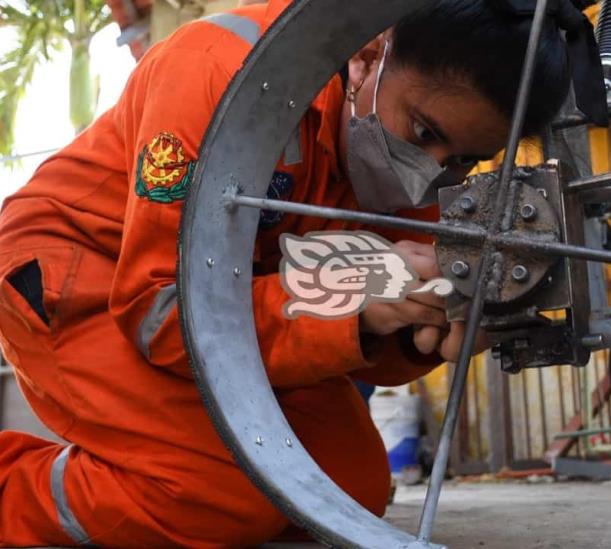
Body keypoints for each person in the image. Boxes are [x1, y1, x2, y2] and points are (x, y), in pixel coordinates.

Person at [0, 0, 581, 545]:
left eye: (460, 160)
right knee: (219, 491)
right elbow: (161, 314)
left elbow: (361, 333)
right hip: (73, 272)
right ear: (369, 54)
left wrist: (424, 321)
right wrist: (347, 299)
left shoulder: (395, 142)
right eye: (425, 133)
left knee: (345, 490)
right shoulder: (215, 73)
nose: (427, 175)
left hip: (226, 305)